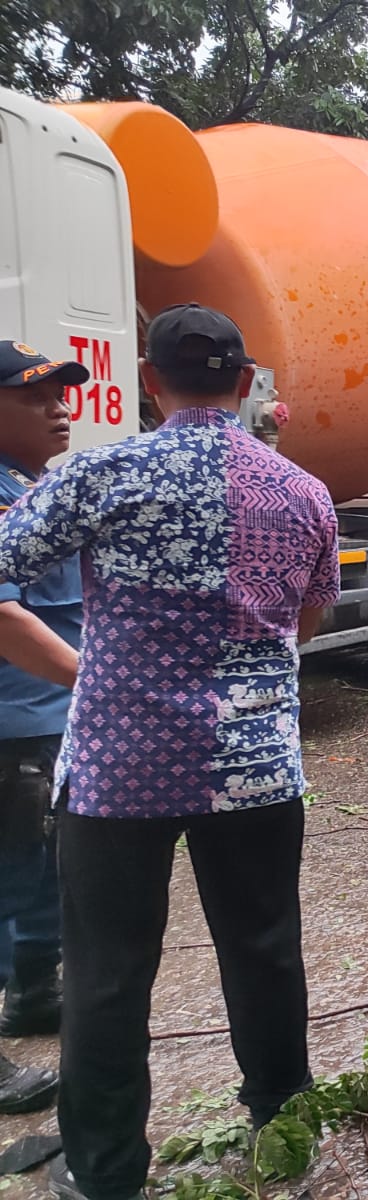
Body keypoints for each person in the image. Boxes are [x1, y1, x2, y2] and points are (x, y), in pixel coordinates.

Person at [0, 305, 341, 1200]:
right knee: (264, 948)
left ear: (150, 380)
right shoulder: (303, 491)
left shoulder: (101, 474)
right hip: (257, 766)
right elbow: (309, 617)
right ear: (243, 382)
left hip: (120, 767)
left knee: (107, 976)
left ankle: (107, 1175)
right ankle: (284, 1129)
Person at [0, 341, 89, 1116]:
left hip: (42, 718)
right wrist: (99, 684)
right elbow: (3, 616)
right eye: (37, 396)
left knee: (38, 875)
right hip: (12, 723)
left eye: (63, 394)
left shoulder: (37, 487)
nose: (61, 409)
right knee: (8, 881)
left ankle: (32, 996)